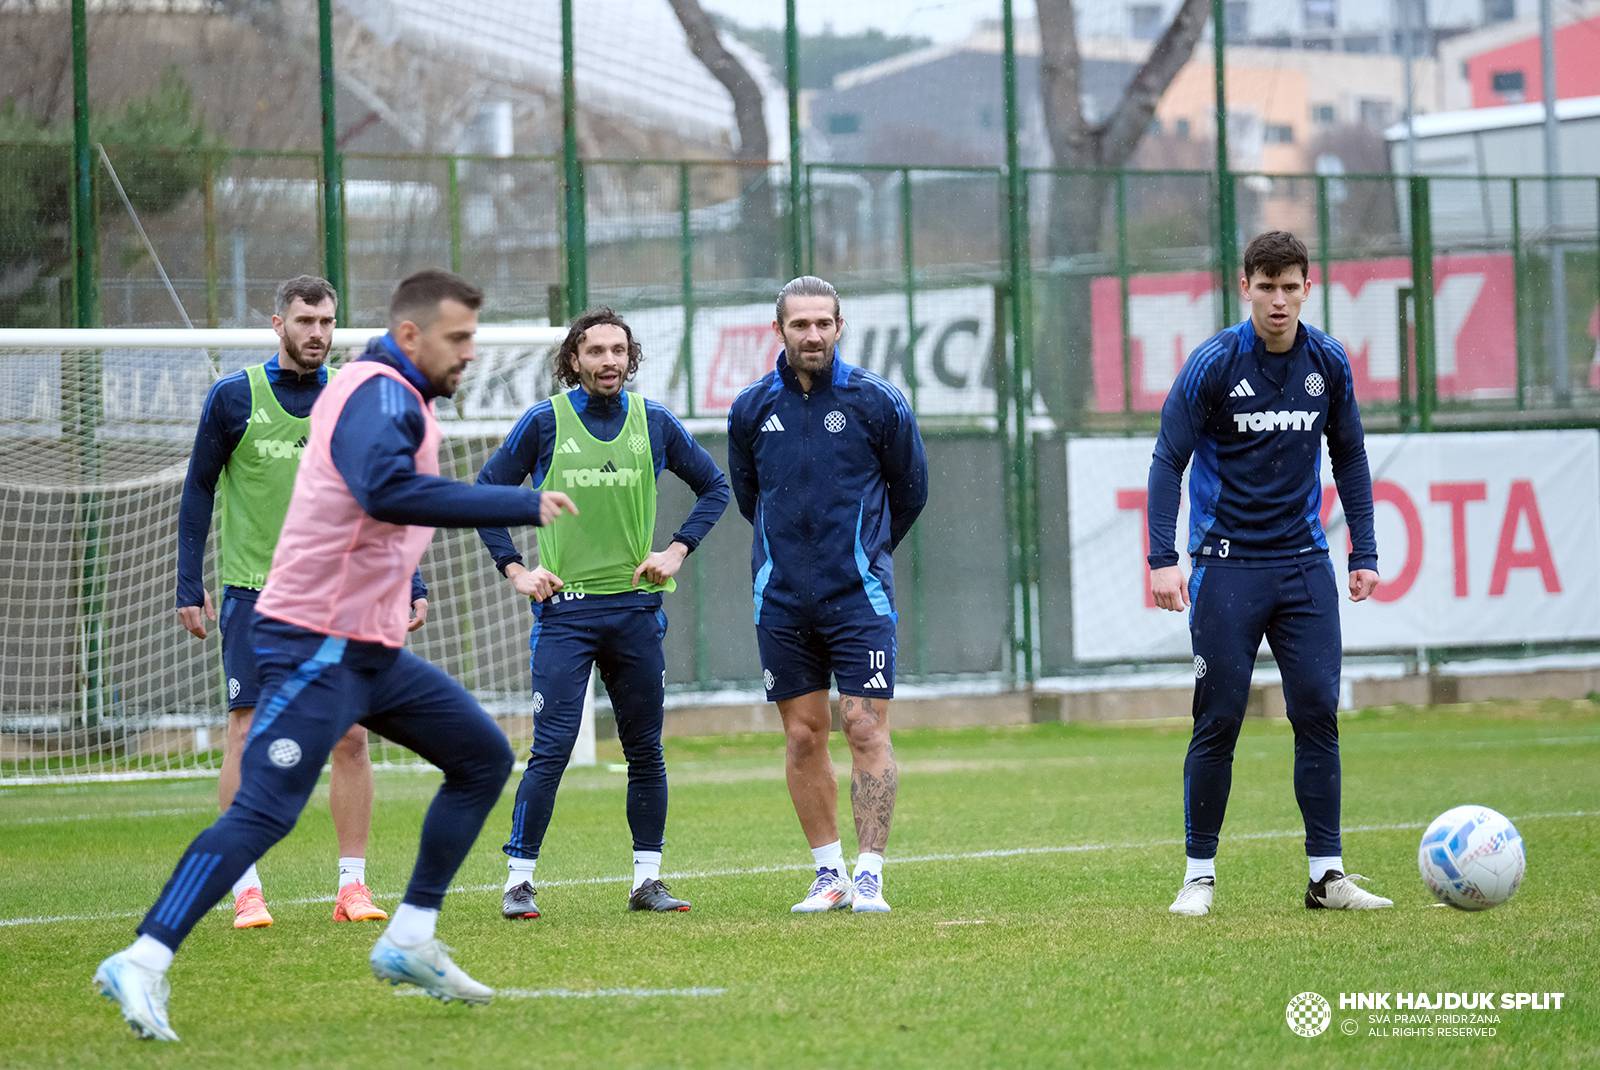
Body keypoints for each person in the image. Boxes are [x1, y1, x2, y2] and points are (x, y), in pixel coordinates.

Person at [94, 270, 578, 1040]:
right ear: (412, 336)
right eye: (459, 339)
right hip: (316, 643)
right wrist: (517, 501)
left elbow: (385, 507)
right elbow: (387, 492)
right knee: (265, 810)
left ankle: (411, 939)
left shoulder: (387, 393)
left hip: (368, 649)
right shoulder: (379, 392)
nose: (471, 355)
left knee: (482, 757)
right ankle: (143, 958)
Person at [1146, 230, 1392, 916]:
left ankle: (1327, 875)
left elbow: (1351, 457)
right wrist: (1162, 559)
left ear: (1307, 289)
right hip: (1228, 570)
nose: (1278, 300)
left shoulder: (1328, 362)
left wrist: (1363, 551)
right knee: (1217, 719)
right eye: (1266, 286)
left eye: (1291, 287)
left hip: (1305, 567)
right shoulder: (1216, 363)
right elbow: (1168, 460)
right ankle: (1199, 875)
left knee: (1317, 711)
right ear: (1244, 286)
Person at [175, 274, 419, 930]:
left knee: (352, 735)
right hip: (256, 596)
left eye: (326, 322)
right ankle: (245, 888)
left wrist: (410, 583)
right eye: (305, 321)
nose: (317, 333)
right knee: (247, 732)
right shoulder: (233, 398)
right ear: (277, 323)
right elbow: (198, 490)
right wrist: (185, 581)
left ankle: (352, 887)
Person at [477, 307, 729, 918]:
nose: (608, 361)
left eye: (618, 350)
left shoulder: (655, 422)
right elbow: (485, 496)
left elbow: (716, 487)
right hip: (565, 614)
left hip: (637, 613)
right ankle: (518, 881)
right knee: (553, 747)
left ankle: (648, 881)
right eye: (595, 351)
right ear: (573, 361)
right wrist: (515, 569)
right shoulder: (545, 422)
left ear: (631, 357)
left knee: (645, 750)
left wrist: (675, 550)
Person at [726, 276, 928, 914]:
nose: (811, 335)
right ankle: (829, 873)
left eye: (822, 324)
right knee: (802, 737)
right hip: (781, 600)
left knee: (864, 725)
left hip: (858, 597)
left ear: (840, 327)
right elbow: (747, 497)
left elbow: (910, 491)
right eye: (799, 324)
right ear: (778, 330)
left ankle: (870, 873)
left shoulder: (878, 402)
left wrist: (862, 554)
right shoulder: (752, 407)